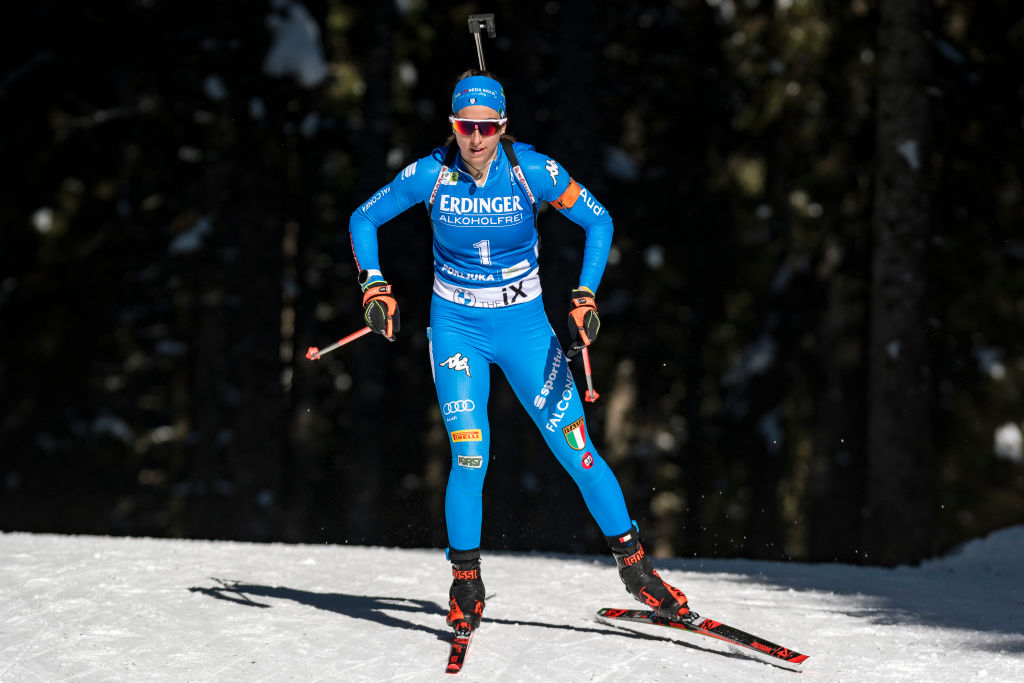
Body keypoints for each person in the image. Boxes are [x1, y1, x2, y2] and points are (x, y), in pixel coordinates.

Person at [348, 69, 691, 635]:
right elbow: (364, 216)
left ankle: (638, 572)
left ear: (503, 127)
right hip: (457, 329)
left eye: (486, 127)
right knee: (470, 456)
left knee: (578, 453)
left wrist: (584, 295)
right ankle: (466, 583)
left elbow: (598, 219)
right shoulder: (429, 175)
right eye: (465, 125)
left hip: (525, 329)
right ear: (452, 125)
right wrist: (374, 285)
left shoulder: (532, 170)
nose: (475, 139)